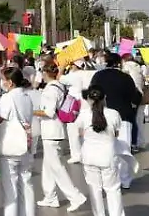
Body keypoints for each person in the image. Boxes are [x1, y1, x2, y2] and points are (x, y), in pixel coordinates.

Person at [33, 62, 87, 210]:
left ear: (45, 74)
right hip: (55, 131)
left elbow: (49, 112)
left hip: (51, 131)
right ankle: (50, 196)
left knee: (57, 167)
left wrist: (32, 111)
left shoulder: (50, 90)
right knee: (48, 166)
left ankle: (75, 196)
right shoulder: (59, 86)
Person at [90, 53, 142, 188]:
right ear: (119, 63)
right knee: (124, 148)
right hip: (123, 115)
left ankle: (107, 177)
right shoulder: (125, 77)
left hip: (103, 115)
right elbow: (135, 97)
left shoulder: (98, 76)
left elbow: (91, 93)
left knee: (105, 148)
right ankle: (124, 180)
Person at [75, 86, 125, 216]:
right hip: (108, 157)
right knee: (113, 190)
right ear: (105, 98)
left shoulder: (84, 115)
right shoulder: (114, 114)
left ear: (88, 99)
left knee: (95, 191)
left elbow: (80, 133)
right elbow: (117, 134)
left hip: (89, 157)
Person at [0, 66, 36, 216]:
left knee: (10, 190)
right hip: (26, 143)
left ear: (10, 82)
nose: (2, 83)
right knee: (26, 184)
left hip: (11, 146)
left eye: (4, 80)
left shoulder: (7, 98)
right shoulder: (27, 97)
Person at [61, 62, 92, 163]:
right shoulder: (88, 73)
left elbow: (60, 78)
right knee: (85, 131)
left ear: (74, 65)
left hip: (74, 105)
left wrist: (62, 67)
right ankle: (86, 154)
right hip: (86, 104)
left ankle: (76, 155)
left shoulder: (73, 75)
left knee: (73, 132)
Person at [120, 54, 146, 149]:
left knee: (129, 120)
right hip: (139, 94)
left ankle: (130, 141)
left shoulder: (127, 67)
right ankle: (135, 142)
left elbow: (123, 80)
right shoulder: (138, 67)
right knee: (135, 119)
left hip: (130, 94)